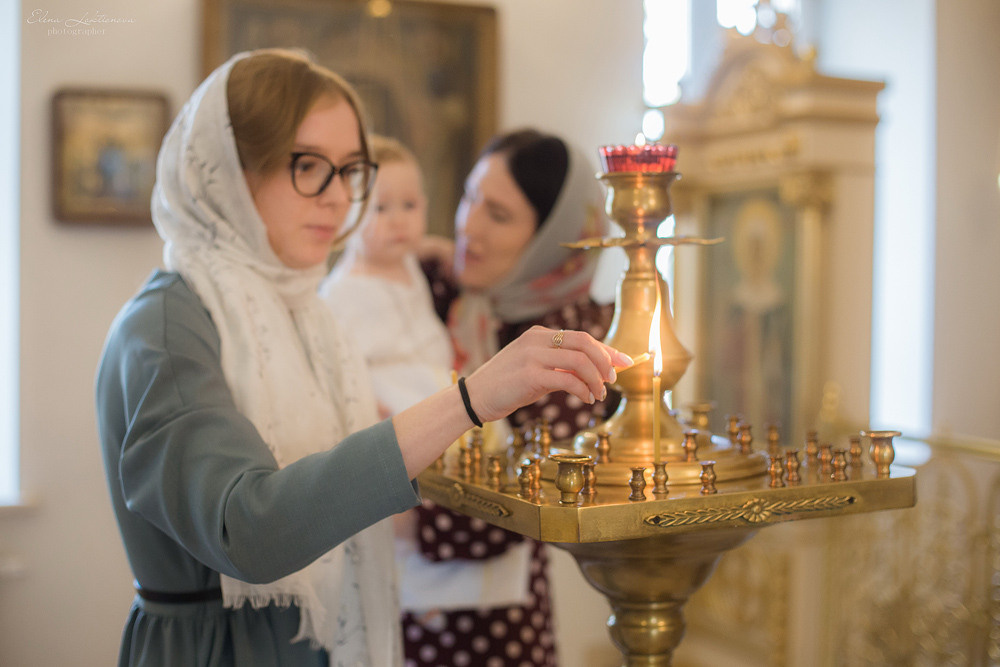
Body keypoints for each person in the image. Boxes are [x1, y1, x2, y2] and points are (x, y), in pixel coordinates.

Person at [95, 50, 630, 667]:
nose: (338, 198)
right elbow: (248, 531)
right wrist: (470, 400)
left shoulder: (306, 314)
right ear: (229, 169)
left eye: (350, 170)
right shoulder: (168, 325)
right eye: (307, 166)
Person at [402, 129, 618, 667]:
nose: (468, 226)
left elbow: (522, 503)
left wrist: (374, 504)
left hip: (489, 624)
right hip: (391, 601)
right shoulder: (449, 294)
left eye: (497, 215)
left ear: (549, 239)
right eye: (470, 197)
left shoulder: (572, 341)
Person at [319, 135, 454, 418]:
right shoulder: (342, 290)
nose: (399, 221)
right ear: (346, 216)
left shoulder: (407, 259)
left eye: (410, 205)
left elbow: (421, 246)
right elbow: (332, 363)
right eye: (380, 208)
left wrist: (441, 249)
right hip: (391, 402)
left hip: (438, 383)